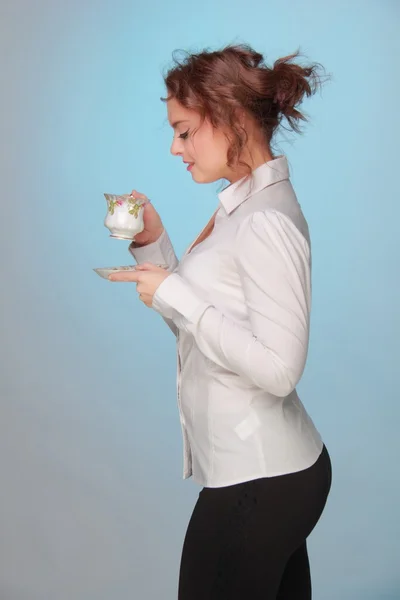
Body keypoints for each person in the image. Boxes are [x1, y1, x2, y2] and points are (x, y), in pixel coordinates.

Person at [109, 44, 332, 600]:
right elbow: (203, 330)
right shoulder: (241, 202)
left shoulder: (264, 220)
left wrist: (178, 293)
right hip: (265, 474)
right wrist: (152, 244)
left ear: (232, 118)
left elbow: (280, 369)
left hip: (260, 480)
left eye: (185, 131)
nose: (174, 147)